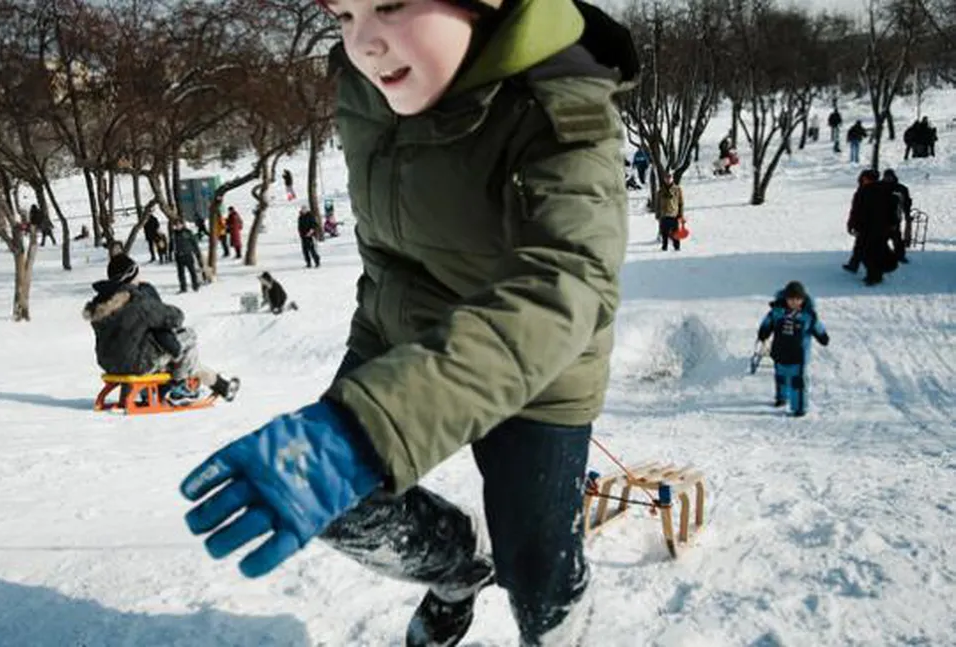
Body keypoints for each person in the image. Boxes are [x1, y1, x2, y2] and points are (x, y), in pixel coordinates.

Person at [179, 0, 637, 645]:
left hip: (543, 371)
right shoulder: (366, 88)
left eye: (390, 5)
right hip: (403, 328)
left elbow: (569, 282)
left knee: (535, 569)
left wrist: (372, 427)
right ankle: (458, 573)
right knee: (336, 498)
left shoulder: (561, 101)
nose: (363, 42)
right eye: (343, 14)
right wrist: (360, 391)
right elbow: (387, 244)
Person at [82, 254, 239, 406]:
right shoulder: (137, 300)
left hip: (108, 363)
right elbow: (174, 317)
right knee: (187, 336)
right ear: (131, 275)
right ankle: (180, 387)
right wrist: (154, 300)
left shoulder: (99, 304)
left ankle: (222, 386)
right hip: (137, 364)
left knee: (175, 355)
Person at [757, 281, 829, 418]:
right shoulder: (777, 312)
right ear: (785, 298)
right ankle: (781, 397)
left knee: (797, 381)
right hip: (780, 351)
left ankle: (799, 407)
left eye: (798, 299)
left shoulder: (808, 315)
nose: (794, 302)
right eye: (791, 299)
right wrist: (763, 332)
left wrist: (822, 336)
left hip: (799, 355)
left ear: (803, 299)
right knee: (781, 377)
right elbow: (767, 323)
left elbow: (817, 327)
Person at [844, 169, 897, 286]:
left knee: (868, 253)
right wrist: (893, 224)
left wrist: (852, 225)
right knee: (874, 250)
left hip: (866, 228)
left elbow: (856, 211)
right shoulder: (885, 190)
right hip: (883, 227)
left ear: (866, 179)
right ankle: (859, 267)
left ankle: (874, 276)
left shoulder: (862, 192)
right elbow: (892, 208)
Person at [881, 169, 912, 263]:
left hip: (895, 216)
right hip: (881, 216)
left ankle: (900, 255)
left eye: (890, 177)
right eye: (886, 177)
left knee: (896, 237)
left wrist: (907, 214)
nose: (888, 179)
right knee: (881, 237)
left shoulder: (901, 189)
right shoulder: (879, 187)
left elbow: (906, 203)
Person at [169, 218, 205, 293]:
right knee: (181, 273)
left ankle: (195, 286)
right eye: (176, 225)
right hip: (178, 256)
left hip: (187, 255)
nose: (177, 226)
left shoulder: (188, 232)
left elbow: (194, 243)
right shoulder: (174, 234)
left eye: (179, 224)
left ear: (182, 224)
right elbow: (171, 244)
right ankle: (183, 288)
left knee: (192, 271)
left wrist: (197, 254)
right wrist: (170, 253)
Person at [658, 174, 684, 251]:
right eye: (666, 178)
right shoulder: (661, 190)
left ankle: (677, 247)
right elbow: (658, 203)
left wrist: (680, 214)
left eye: (669, 178)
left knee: (675, 232)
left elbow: (681, 203)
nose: (668, 180)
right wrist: (658, 214)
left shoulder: (677, 189)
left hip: (674, 214)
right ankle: (664, 246)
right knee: (664, 232)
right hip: (664, 214)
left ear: (672, 179)